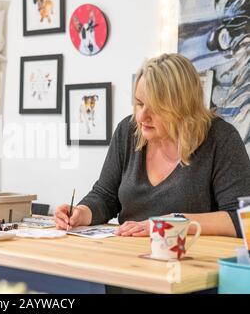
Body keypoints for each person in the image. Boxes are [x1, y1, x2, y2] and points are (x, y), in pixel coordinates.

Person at [54, 53, 250, 238]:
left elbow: (241, 218)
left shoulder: (220, 139)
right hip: (128, 255)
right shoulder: (127, 131)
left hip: (190, 260)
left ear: (182, 106)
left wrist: (167, 224)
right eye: (139, 104)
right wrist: (81, 212)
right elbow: (105, 196)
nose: (141, 117)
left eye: (155, 108)